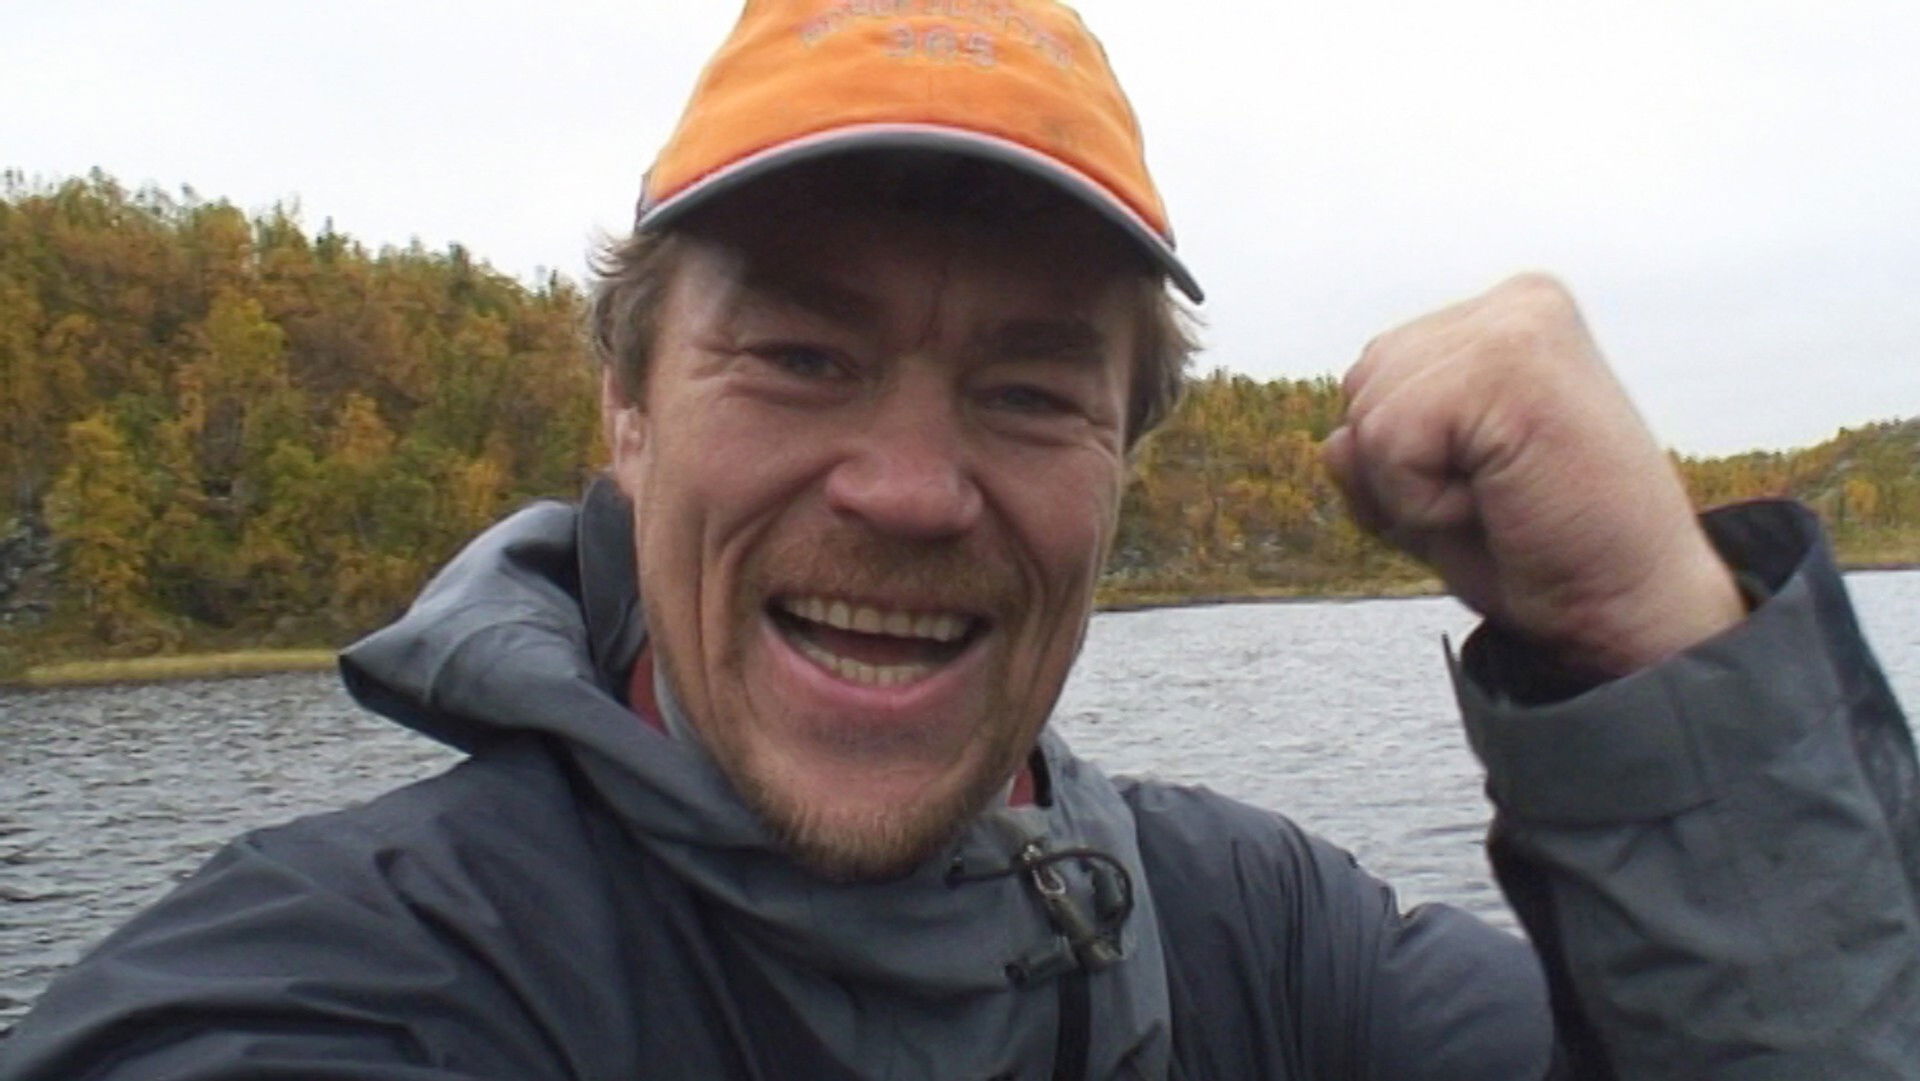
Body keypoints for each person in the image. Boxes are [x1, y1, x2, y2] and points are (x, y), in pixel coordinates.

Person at [3, 1, 1916, 1078]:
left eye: (1025, 390)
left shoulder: (1271, 943)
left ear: (1122, 464)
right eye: (804, 353)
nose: (909, 489)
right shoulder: (358, 983)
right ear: (629, 410)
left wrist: (1652, 639)